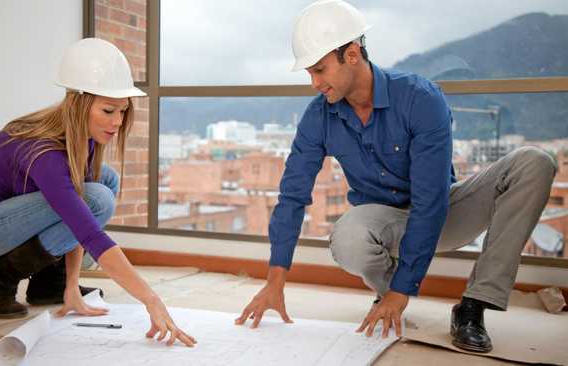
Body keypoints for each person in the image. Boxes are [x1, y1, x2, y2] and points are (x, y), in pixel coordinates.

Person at [236, 0, 556, 353]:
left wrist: (404, 291)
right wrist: (275, 281)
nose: (314, 83)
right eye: (309, 73)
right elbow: (293, 195)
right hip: (383, 225)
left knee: (535, 161)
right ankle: (386, 293)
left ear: (352, 54)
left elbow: (430, 202)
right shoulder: (319, 117)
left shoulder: (420, 98)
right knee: (347, 236)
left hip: (443, 215)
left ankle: (472, 305)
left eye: (320, 70)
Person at [0, 38, 196, 347]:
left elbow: (77, 224)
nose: (117, 122)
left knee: (105, 180)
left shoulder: (82, 138)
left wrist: (72, 284)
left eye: (122, 111)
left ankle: (51, 283)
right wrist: (151, 299)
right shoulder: (44, 152)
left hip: (6, 219)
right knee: (96, 197)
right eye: (108, 110)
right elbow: (88, 231)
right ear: (78, 104)